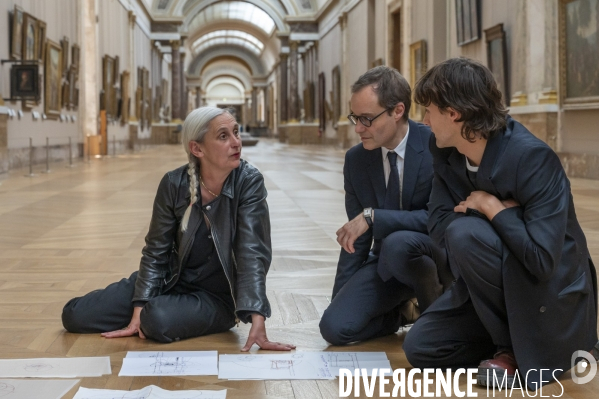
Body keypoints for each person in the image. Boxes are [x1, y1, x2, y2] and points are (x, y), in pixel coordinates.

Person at [403, 57, 598, 389]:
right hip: (491, 284)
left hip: (548, 294)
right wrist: (500, 214)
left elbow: (541, 260)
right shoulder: (446, 154)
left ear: (453, 113)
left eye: (429, 110)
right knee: (420, 347)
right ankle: (507, 344)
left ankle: (517, 350)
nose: (424, 120)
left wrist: (490, 207)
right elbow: (438, 229)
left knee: (465, 233)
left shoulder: (532, 158)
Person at [62, 106, 295, 351]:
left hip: (216, 298)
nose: (236, 142)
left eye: (236, 132)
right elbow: (156, 251)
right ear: (197, 148)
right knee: (75, 315)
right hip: (169, 280)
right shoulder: (174, 184)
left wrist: (257, 317)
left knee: (157, 319)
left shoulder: (248, 182)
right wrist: (139, 306)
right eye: (224, 136)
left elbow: (252, 253)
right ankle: (156, 309)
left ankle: (165, 311)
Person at [319, 66, 453, 345]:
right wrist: (341, 300)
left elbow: (439, 218)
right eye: (355, 118)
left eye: (366, 119)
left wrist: (374, 217)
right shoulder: (356, 160)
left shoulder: (435, 145)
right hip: (387, 263)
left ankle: (435, 311)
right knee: (335, 328)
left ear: (397, 111)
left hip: (436, 259)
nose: (358, 128)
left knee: (399, 243)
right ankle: (404, 313)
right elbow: (356, 237)